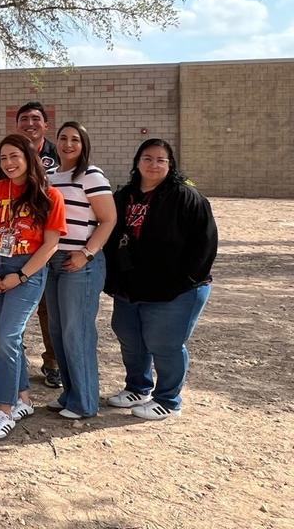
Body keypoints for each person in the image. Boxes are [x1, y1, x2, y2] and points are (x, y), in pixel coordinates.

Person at [104, 139, 217, 421]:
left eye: (161, 160)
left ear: (170, 165)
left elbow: (205, 243)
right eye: (147, 158)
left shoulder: (186, 197)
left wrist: (187, 278)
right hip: (131, 287)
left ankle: (168, 399)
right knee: (130, 337)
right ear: (137, 162)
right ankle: (137, 388)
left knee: (164, 343)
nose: (153, 165)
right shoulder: (124, 196)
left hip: (176, 289)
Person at [0, 133, 67, 441]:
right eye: (3, 158)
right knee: (9, 338)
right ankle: (24, 399)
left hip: (26, 271)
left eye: (15, 156)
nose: (9, 163)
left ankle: (5, 409)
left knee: (9, 337)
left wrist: (21, 276)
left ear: (29, 158)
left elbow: (51, 245)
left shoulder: (49, 195)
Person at [0, 101, 61, 388]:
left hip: (46, 243)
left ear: (45, 125)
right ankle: (17, 365)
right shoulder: (2, 158)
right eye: (24, 119)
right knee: (9, 324)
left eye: (36, 119)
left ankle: (52, 362)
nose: (30, 123)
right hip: (6, 250)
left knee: (47, 309)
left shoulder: (57, 153)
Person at [44, 122, 116, 419]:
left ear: (84, 145)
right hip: (53, 260)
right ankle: (70, 393)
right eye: (63, 138)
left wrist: (87, 254)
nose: (68, 144)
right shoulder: (48, 176)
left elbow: (108, 219)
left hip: (80, 264)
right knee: (58, 331)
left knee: (78, 332)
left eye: (75, 139)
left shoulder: (91, 175)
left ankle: (85, 402)